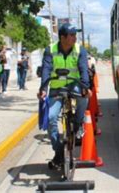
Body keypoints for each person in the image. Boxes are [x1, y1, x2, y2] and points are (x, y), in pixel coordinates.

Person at [38, 23, 91, 170]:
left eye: (75, 35)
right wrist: (43, 88)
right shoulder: (50, 50)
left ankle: (78, 122)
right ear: (62, 37)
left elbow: (83, 69)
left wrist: (86, 86)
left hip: (74, 84)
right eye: (72, 35)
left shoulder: (80, 50)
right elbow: (46, 70)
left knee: (83, 98)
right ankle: (59, 151)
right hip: (56, 87)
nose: (75, 38)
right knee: (50, 118)